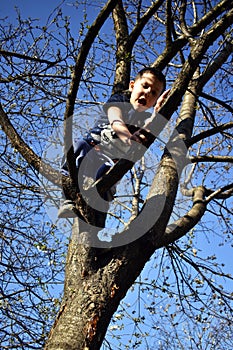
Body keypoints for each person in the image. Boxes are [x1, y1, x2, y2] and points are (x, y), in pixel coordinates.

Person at [58, 67, 169, 220]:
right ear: (132, 86)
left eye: (154, 93)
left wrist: (156, 115)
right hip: (91, 147)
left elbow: (146, 133)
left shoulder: (144, 119)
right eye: (145, 86)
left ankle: (97, 211)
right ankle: (67, 200)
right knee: (77, 148)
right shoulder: (120, 100)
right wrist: (127, 138)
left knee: (104, 181)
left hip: (109, 161)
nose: (148, 92)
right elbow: (116, 120)